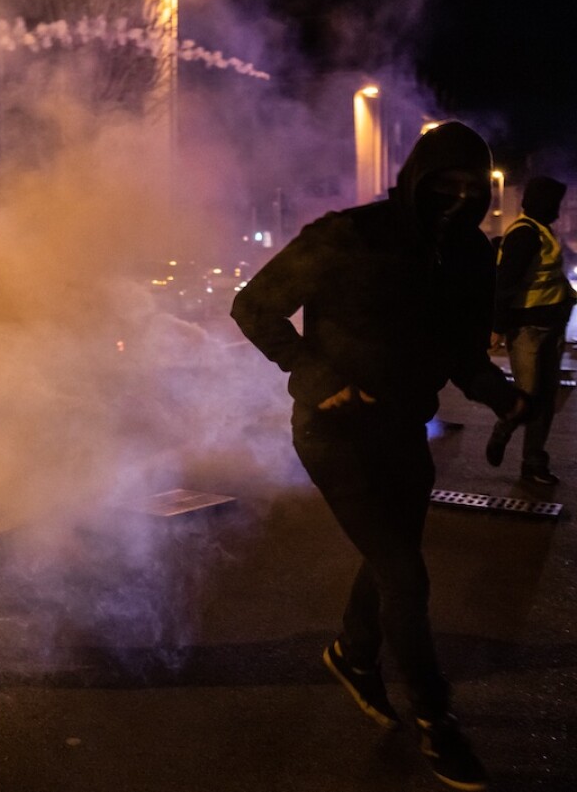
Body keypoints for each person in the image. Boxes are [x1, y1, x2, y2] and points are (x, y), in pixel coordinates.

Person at [231, 122, 526, 791]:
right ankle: (436, 719)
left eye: (470, 189)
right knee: (405, 572)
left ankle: (355, 653)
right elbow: (254, 306)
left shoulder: (473, 256)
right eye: (442, 184)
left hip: (404, 429)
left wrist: (501, 394)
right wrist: (316, 376)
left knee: (390, 559)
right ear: (416, 177)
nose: (454, 198)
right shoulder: (349, 233)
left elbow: (462, 353)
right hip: (335, 431)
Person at [485, 176, 574, 487]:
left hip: (551, 328)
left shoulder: (542, 232)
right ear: (543, 203)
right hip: (528, 331)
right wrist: (496, 329)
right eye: (555, 204)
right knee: (530, 397)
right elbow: (504, 286)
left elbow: (548, 278)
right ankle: (503, 430)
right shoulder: (525, 234)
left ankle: (533, 463)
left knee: (545, 399)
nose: (558, 211)